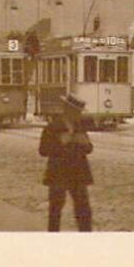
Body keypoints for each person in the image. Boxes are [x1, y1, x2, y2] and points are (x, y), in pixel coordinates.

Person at [40, 94, 93, 232]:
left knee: (83, 210)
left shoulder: (80, 126)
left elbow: (89, 148)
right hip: (59, 173)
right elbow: (43, 150)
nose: (79, 115)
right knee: (55, 210)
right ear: (67, 110)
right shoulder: (52, 127)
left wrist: (85, 144)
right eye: (76, 112)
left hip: (78, 173)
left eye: (79, 112)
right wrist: (60, 143)